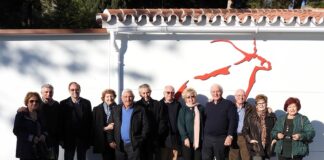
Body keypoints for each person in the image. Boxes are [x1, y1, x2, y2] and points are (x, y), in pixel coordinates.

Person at [107, 89, 149, 160]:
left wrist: (140, 140)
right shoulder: (116, 109)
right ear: (122, 98)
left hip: (134, 145)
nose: (128, 99)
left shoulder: (140, 109)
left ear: (133, 97)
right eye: (125, 97)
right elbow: (110, 126)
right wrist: (110, 140)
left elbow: (146, 126)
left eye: (130, 96)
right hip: (119, 144)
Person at [202, 84, 238, 160]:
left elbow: (233, 121)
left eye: (218, 91)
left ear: (221, 92)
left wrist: (230, 136)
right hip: (207, 139)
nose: (215, 94)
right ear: (211, 93)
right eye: (213, 92)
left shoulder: (228, 104)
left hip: (220, 139)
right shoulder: (208, 105)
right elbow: (204, 120)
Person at [59, 82, 92, 160]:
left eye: (77, 89)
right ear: (69, 91)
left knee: (82, 158)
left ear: (80, 90)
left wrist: (89, 138)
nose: (75, 91)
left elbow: (89, 121)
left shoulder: (87, 103)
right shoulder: (63, 103)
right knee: (68, 158)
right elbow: (61, 123)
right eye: (72, 89)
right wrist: (61, 140)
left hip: (83, 138)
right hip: (68, 138)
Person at [135, 83, 168, 160]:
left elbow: (162, 120)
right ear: (140, 94)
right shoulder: (137, 105)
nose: (146, 95)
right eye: (143, 93)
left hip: (155, 137)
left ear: (150, 92)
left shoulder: (157, 104)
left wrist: (158, 134)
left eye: (148, 92)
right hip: (142, 138)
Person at [13, 92, 48, 160]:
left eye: (36, 101)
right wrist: (31, 138)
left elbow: (45, 128)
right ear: (27, 102)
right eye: (31, 101)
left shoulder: (40, 115)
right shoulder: (21, 114)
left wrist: (44, 135)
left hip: (40, 150)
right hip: (26, 151)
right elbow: (16, 131)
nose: (34, 103)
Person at [242, 94, 277, 160]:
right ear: (256, 104)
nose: (261, 105)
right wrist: (250, 140)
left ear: (266, 103)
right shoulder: (250, 116)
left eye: (263, 103)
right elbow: (245, 130)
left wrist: (275, 139)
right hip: (256, 146)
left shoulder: (272, 116)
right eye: (259, 103)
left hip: (268, 146)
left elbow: (276, 129)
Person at [177, 88, 204, 160]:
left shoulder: (201, 108)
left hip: (199, 141)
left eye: (192, 96)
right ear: (185, 99)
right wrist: (185, 138)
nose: (191, 99)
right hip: (187, 140)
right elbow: (180, 125)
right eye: (188, 97)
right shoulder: (183, 110)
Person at [92, 89, 117, 160]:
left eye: (111, 96)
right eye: (107, 96)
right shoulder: (96, 109)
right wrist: (106, 128)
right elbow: (94, 126)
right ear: (103, 98)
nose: (109, 98)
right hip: (103, 140)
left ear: (114, 97)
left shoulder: (119, 108)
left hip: (115, 140)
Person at [38, 84, 61, 160]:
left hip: (54, 139)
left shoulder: (57, 105)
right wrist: (22, 109)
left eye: (50, 92)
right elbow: (29, 111)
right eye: (46, 92)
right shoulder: (37, 104)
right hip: (41, 139)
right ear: (41, 93)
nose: (49, 94)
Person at [229, 89, 252, 160]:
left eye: (243, 95)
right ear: (235, 97)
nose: (241, 97)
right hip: (232, 136)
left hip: (244, 136)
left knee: (246, 157)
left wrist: (268, 110)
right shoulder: (230, 107)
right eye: (239, 95)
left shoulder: (249, 108)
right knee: (233, 157)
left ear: (245, 97)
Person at [159, 85, 182, 160]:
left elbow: (181, 121)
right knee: (163, 157)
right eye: (168, 92)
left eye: (172, 93)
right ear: (164, 93)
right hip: (163, 138)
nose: (170, 94)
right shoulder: (159, 104)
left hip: (175, 137)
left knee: (174, 158)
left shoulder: (178, 105)